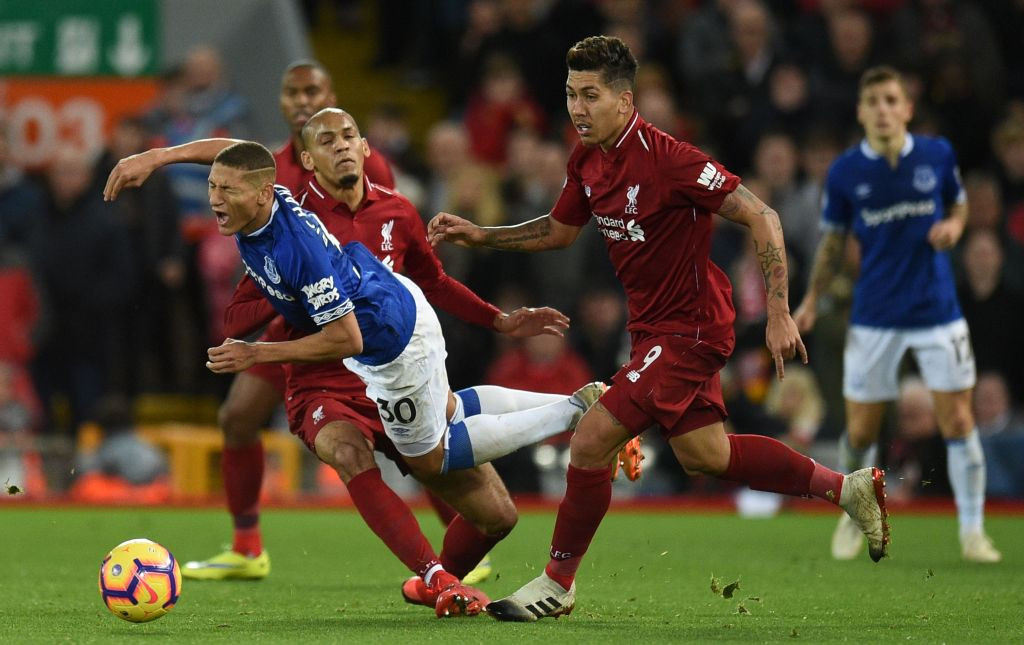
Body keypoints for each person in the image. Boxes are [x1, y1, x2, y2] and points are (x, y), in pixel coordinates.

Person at [428, 35, 890, 622]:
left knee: (592, 439)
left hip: (690, 329)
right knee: (706, 455)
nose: (577, 107)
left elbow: (763, 215)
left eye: (590, 95)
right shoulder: (587, 158)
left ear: (625, 101)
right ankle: (845, 490)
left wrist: (777, 310)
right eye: (571, 94)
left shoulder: (671, 160)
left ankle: (557, 581)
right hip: (654, 331)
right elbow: (560, 230)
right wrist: (482, 235)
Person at [104, 115, 615, 618]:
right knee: (353, 448)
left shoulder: (354, 223)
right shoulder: (272, 193)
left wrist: (257, 351)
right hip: (333, 372)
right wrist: (159, 157)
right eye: (326, 140)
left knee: (484, 506)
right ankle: (435, 581)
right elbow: (239, 155)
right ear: (303, 161)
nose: (215, 197)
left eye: (348, 136)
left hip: (384, 345)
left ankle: (575, 412)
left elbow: (368, 319)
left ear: (367, 148)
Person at [103, 61, 489, 586]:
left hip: (359, 328)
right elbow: (225, 152)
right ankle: (246, 548)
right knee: (238, 416)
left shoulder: (368, 176)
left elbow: (394, 247)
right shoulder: (274, 171)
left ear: (334, 98)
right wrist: (161, 156)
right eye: (293, 92)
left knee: (407, 439)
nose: (304, 100)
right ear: (284, 106)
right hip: (297, 326)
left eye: (315, 91)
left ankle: (464, 545)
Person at [793, 65, 1001, 564]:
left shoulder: (937, 155)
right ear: (862, 112)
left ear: (906, 108)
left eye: (892, 100)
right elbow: (833, 244)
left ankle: (973, 532)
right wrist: (807, 301)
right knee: (862, 431)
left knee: (957, 419)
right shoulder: (845, 173)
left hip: (937, 311)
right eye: (874, 102)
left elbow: (959, 207)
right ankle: (854, 516)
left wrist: (953, 227)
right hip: (875, 314)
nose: (884, 110)